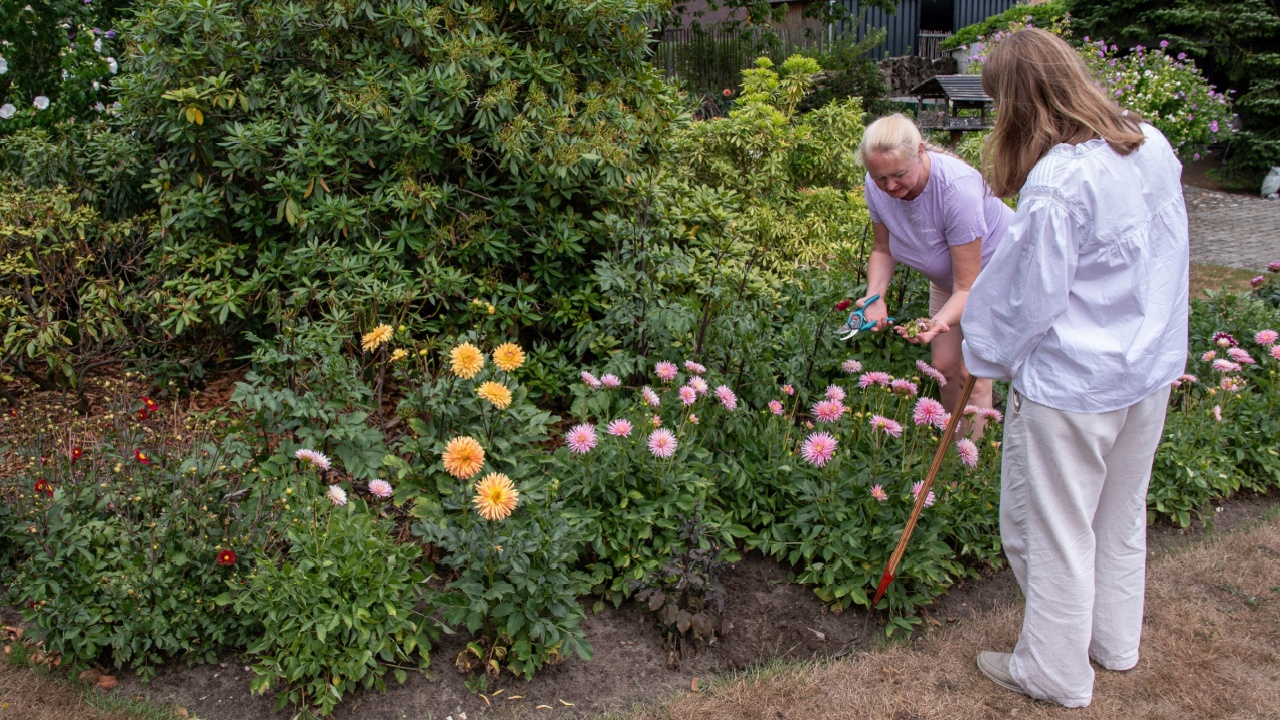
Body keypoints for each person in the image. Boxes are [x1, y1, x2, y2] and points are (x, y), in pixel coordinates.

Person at [961, 28, 1189, 708]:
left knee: (1052, 528)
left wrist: (985, 356)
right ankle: (1113, 643)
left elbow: (1029, 295)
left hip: (1076, 386)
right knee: (1119, 515)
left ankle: (1054, 672)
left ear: (1019, 103)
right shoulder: (1148, 143)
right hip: (1145, 368)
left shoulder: (1060, 179)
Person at [856, 114, 1013, 418]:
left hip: (995, 275)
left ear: (920, 151)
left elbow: (968, 287)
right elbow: (882, 249)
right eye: (880, 178)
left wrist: (937, 321)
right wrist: (875, 299)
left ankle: (973, 461)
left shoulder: (956, 189)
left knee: (973, 376)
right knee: (943, 369)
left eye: (898, 174)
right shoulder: (876, 185)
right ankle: (950, 449)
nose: (889, 186)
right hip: (950, 280)